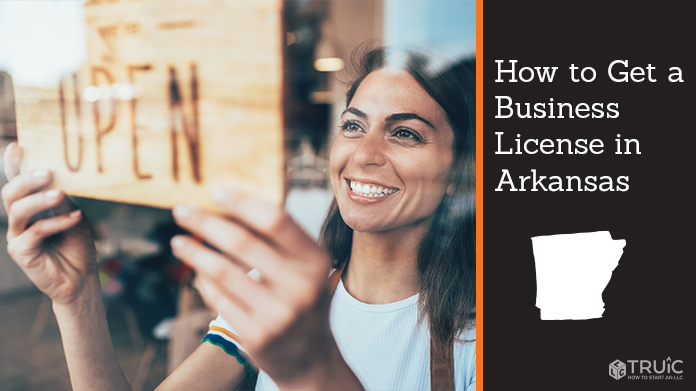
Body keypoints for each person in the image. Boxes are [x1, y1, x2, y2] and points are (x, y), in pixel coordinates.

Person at [1, 47, 475, 390]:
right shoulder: (275, 294)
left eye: (406, 133)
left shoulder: (475, 342)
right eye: (353, 126)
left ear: (461, 168)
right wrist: (77, 294)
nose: (363, 154)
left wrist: (311, 367)